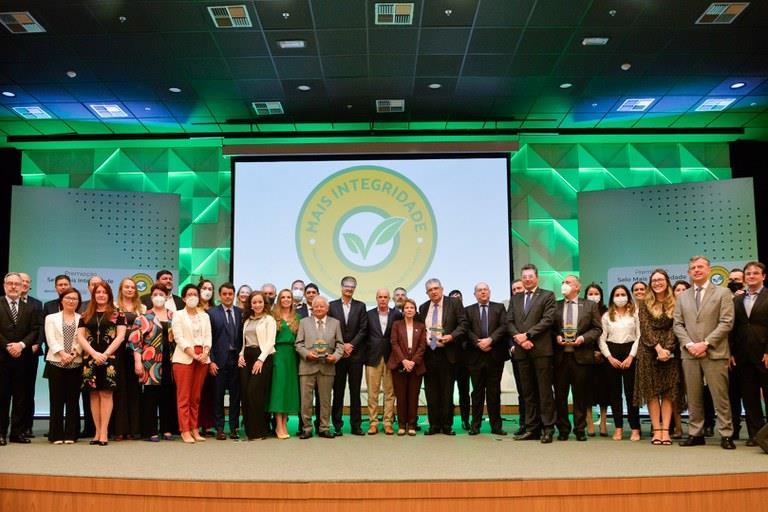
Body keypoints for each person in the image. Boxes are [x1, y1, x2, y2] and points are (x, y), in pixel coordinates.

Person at [674, 256, 735, 450]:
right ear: (689, 272)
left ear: (709, 270)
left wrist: (706, 343)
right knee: (693, 396)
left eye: (700, 267)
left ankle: (726, 434)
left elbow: (726, 322)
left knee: (720, 396)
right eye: (693, 268)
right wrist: (690, 344)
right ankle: (695, 433)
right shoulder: (683, 296)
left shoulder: (723, 293)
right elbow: (678, 324)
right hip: (689, 353)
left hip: (715, 351)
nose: (697, 270)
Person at [507, 264, 557, 444]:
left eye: (530, 276)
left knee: (544, 392)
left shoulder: (547, 295)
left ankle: (548, 428)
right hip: (521, 351)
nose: (527, 279)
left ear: (537, 277)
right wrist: (520, 339)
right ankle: (531, 428)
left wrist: (528, 335)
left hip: (541, 349)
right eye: (524, 276)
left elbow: (548, 320)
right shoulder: (516, 299)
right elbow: (509, 321)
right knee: (527, 392)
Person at [634, 269, 683, 446]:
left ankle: (666, 431)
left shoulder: (677, 302)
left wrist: (668, 349)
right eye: (653, 280)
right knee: (652, 393)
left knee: (669, 392)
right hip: (648, 351)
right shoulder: (644, 303)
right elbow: (645, 328)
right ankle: (656, 430)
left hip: (670, 351)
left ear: (667, 281)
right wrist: (658, 348)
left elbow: (676, 327)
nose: (657, 283)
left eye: (660, 279)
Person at [552, 275, 602, 441]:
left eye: (568, 282)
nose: (564, 285)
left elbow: (597, 329)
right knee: (560, 395)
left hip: (581, 357)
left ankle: (580, 429)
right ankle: (563, 429)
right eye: (563, 282)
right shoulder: (555, 305)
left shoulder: (589, 305)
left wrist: (583, 339)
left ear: (577, 287)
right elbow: (550, 328)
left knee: (580, 395)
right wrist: (556, 337)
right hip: (560, 357)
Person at [77, 281, 127, 446]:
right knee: (93, 394)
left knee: (106, 394)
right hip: (90, 360)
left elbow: (120, 337)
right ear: (93, 294)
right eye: (98, 292)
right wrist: (93, 353)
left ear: (109, 295)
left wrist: (105, 354)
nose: (101, 295)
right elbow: (81, 337)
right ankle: (97, 432)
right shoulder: (85, 315)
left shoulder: (118, 314)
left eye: (104, 292)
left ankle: (104, 431)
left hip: (110, 360)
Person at [418, 278, 466, 436]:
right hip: (429, 353)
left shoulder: (454, 303)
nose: (433, 291)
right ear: (427, 293)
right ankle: (434, 425)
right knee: (431, 391)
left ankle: (446, 425)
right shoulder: (424, 307)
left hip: (448, 352)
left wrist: (452, 336)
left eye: (436, 288)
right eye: (430, 290)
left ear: (442, 289)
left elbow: (463, 324)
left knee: (447, 390)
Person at [127, 284, 175, 442]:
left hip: (170, 362)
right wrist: (137, 362)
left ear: (167, 297)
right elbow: (135, 341)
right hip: (150, 363)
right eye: (155, 294)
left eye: (162, 294)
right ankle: (151, 430)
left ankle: (167, 429)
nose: (159, 297)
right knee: (150, 397)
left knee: (168, 396)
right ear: (151, 297)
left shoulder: (173, 316)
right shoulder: (144, 317)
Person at [0, 272, 42, 446]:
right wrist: (9, 346)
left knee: (21, 396)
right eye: (10, 283)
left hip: (23, 358)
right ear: (4, 285)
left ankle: (17, 432)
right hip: (2, 357)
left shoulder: (30, 307)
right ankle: (1, 433)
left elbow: (34, 329)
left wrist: (21, 345)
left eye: (17, 284)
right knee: (2, 396)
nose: (14, 287)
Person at [295, 296, 344, 439]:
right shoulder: (304, 323)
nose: (319, 308)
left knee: (325, 400)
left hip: (327, 367)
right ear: (312, 308)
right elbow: (298, 344)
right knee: (306, 400)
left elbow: (340, 345)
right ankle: (307, 428)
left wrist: (335, 356)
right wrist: (306, 354)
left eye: (322, 306)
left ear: (327, 308)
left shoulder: (335, 323)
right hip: (307, 366)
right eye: (316, 306)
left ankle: (324, 428)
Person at [464, 282, 508, 436]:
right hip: (475, 357)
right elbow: (466, 330)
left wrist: (490, 340)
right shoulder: (468, 310)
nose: (483, 292)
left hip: (494, 355)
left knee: (494, 392)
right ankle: (475, 425)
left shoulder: (499, 308)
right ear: (475, 294)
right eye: (479, 290)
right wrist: (478, 342)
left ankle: (496, 426)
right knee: (477, 392)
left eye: (485, 290)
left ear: (489, 292)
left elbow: (504, 327)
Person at [732, 262, 768, 447]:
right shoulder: (737, 300)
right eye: (748, 273)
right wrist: (731, 352)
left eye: (756, 273)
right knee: (750, 397)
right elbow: (733, 328)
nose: (751, 276)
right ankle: (756, 435)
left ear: (763, 276)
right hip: (743, 355)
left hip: (764, 354)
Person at [598, 285, 641, 442]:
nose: (620, 297)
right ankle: (618, 428)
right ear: (612, 298)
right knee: (615, 394)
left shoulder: (635, 314)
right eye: (617, 294)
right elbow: (601, 339)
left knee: (631, 394)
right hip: (612, 353)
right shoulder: (606, 316)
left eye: (623, 294)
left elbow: (639, 336)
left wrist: (631, 356)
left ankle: (635, 428)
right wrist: (609, 357)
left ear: (628, 296)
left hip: (630, 352)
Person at [328, 276, 369, 436]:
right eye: (346, 285)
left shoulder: (360, 306)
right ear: (341, 287)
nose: (349, 288)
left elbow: (363, 329)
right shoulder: (332, 306)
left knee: (355, 391)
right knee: (337, 391)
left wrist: (351, 345)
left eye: (352, 286)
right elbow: (330, 328)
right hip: (337, 356)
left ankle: (356, 425)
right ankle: (337, 425)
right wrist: (341, 346)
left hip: (356, 355)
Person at [172, 284, 212, 444]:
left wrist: (205, 353)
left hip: (202, 357)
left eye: (195, 294)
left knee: (195, 397)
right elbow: (178, 337)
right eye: (189, 294)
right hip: (184, 358)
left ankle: (195, 428)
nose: (192, 297)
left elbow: (208, 336)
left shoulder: (204, 316)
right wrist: (193, 354)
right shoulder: (178, 315)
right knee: (184, 397)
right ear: (183, 298)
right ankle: (185, 430)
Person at [44, 287, 83, 444]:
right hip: (56, 362)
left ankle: (71, 434)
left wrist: (73, 354)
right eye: (68, 298)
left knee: (73, 400)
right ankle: (56, 434)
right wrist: (62, 354)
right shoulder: (51, 318)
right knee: (56, 400)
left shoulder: (82, 318)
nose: (71, 301)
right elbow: (50, 339)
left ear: (78, 302)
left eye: (74, 298)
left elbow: (83, 340)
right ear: (61, 299)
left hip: (76, 363)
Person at [238, 291, 275, 440]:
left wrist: (260, 360)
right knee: (245, 393)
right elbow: (244, 341)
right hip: (246, 357)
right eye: (254, 302)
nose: (257, 305)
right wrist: (240, 355)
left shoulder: (269, 320)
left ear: (264, 303)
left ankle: (260, 430)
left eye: (260, 302)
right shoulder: (247, 320)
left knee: (255, 393)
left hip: (262, 357)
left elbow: (270, 342)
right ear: (250, 305)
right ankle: (250, 431)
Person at [365, 288, 402, 435]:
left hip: (391, 358)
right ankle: (373, 423)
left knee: (390, 393)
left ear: (389, 299)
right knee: (372, 393)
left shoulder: (397, 314)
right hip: (372, 358)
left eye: (385, 297)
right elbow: (364, 334)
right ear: (376, 298)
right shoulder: (368, 315)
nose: (382, 299)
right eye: (380, 297)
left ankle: (388, 422)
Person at [207, 282, 242, 440]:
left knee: (235, 396)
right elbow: (208, 339)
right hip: (218, 361)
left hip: (237, 362)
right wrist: (211, 361)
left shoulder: (241, 312)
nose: (228, 296)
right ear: (220, 296)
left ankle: (234, 427)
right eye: (225, 294)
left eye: (230, 294)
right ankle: (220, 428)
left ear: (234, 295)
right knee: (218, 396)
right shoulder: (211, 313)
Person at [112, 277, 145, 441]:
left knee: (135, 391)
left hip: (137, 353)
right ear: (121, 289)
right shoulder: (114, 307)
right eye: (127, 287)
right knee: (120, 390)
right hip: (118, 352)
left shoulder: (143, 308)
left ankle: (134, 429)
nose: (130, 289)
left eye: (132, 287)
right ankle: (120, 429)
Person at [388, 298, 426, 436]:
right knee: (401, 396)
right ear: (403, 311)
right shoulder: (396, 325)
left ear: (415, 311)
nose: (409, 310)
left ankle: (411, 425)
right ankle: (401, 425)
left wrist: (413, 362)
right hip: (399, 365)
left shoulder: (421, 326)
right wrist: (404, 360)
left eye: (412, 308)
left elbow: (422, 346)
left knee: (413, 396)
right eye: (407, 308)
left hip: (416, 366)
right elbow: (394, 343)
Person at [269, 289, 301, 439]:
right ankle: (278, 424)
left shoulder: (298, 318)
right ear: (279, 299)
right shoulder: (272, 317)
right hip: (278, 354)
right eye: (283, 297)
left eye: (289, 297)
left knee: (288, 390)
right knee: (278, 390)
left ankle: (285, 423)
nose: (286, 300)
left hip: (292, 356)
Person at [583, 283, 609, 438]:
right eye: (590, 293)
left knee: (604, 391)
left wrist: (602, 352)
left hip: (605, 356)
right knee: (587, 391)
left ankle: (604, 422)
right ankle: (590, 422)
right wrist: (591, 351)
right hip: (586, 355)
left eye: (596, 293)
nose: (593, 296)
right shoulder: (583, 311)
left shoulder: (607, 311)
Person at [18, 272, 42, 440]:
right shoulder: (4, 303)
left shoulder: (36, 303)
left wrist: (37, 344)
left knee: (28, 391)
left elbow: (39, 327)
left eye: (27, 282)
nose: (24, 284)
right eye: (22, 281)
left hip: (30, 353)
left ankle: (27, 426)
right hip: (8, 353)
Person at [196, 278, 216, 437]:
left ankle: (208, 424)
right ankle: (194, 423)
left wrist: (210, 357)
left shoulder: (215, 310)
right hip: (194, 355)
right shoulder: (192, 309)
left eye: (210, 288)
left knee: (209, 392)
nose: (207, 291)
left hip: (210, 355)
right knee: (196, 392)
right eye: (204, 288)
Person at [449, 289, 471, 431]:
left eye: (458, 297)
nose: (456, 300)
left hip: (465, 360)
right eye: (453, 298)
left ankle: (465, 419)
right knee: (447, 392)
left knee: (464, 392)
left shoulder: (468, 313)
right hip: (449, 359)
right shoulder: (447, 315)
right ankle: (448, 420)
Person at [509, 279, 526, 435]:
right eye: (514, 290)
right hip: (518, 354)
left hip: (535, 352)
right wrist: (512, 346)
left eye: (519, 288)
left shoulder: (533, 304)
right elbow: (508, 327)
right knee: (522, 391)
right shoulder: (512, 307)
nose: (517, 291)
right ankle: (524, 423)